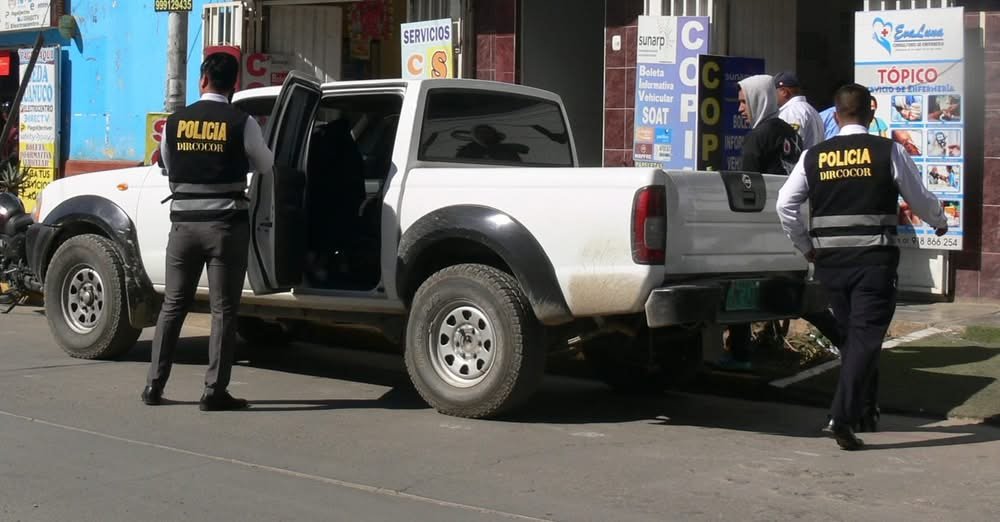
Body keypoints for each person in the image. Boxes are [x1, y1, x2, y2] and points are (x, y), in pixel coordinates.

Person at [776, 83, 948, 450]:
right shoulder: (888, 151)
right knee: (865, 339)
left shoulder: (814, 156)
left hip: (831, 265)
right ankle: (842, 416)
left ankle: (866, 409)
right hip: (873, 264)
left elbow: (784, 205)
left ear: (836, 115)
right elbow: (918, 197)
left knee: (855, 339)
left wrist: (805, 246)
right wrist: (939, 220)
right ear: (871, 113)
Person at [142, 52, 274, 411]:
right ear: (235, 84)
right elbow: (266, 164)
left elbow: (167, 165)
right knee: (223, 310)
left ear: (202, 80)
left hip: (183, 228)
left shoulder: (174, 123)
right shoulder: (242, 122)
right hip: (225, 229)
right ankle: (214, 391)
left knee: (173, 305)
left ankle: (154, 385)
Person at [728, 75, 843, 372]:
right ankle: (846, 341)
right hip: (790, 220)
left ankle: (739, 354)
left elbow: (747, 184)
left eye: (743, 102)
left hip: (764, 223)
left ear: (758, 99)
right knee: (793, 290)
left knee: (742, 285)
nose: (740, 109)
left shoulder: (759, 136)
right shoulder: (786, 131)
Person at [774, 71, 825, 148]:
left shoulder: (791, 112)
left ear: (784, 92)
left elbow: (791, 147)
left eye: (774, 92)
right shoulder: (812, 110)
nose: (773, 96)